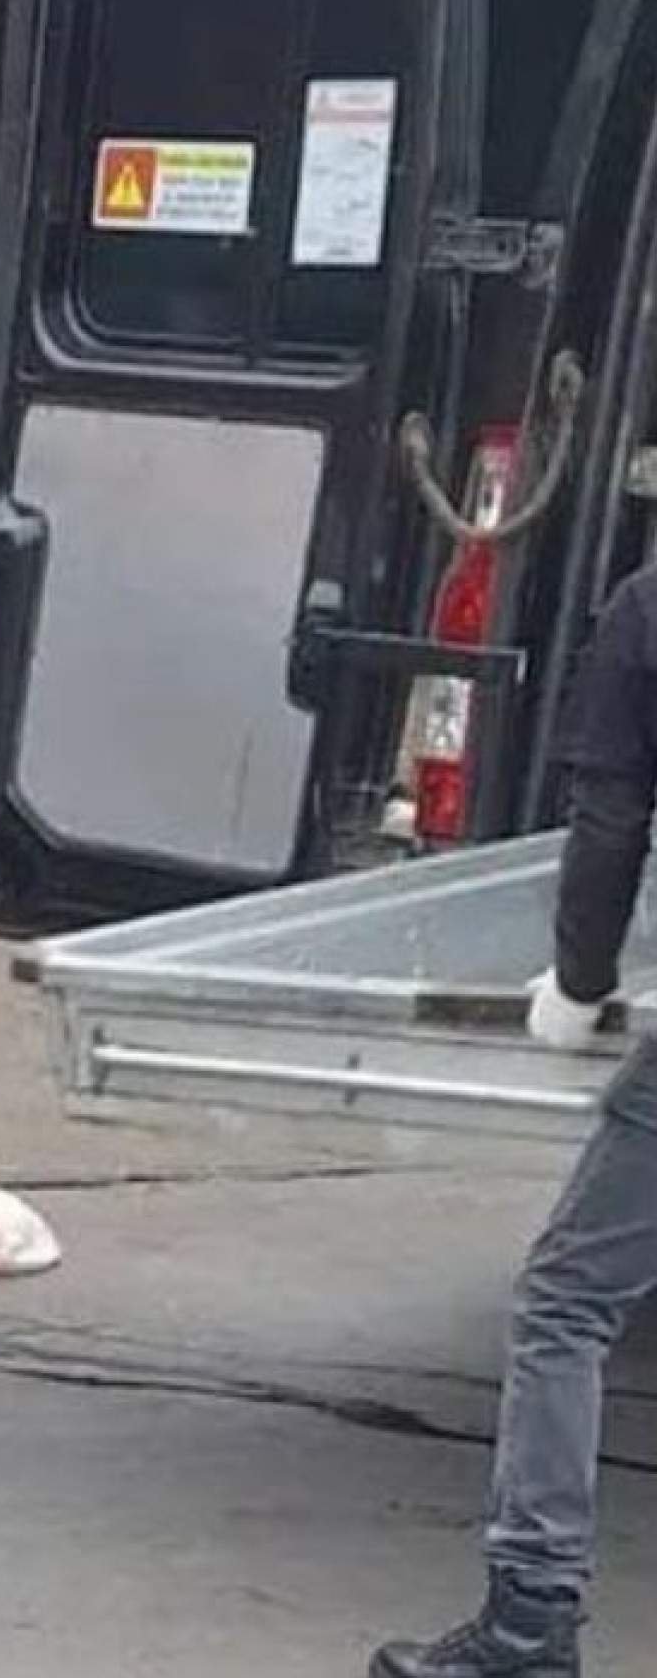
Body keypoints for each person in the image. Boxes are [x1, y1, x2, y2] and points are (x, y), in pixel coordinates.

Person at [371, 563, 657, 1678]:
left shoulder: (647, 608)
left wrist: (578, 983)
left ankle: (532, 1619)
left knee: (566, 1301)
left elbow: (611, 822)